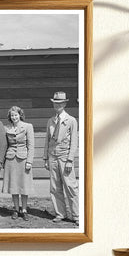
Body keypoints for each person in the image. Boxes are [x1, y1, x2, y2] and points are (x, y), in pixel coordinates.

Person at [43, 91, 79, 224]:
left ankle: (77, 215)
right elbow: (47, 140)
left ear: (64, 104)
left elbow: (74, 142)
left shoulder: (71, 120)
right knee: (55, 187)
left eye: (60, 103)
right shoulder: (51, 121)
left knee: (70, 186)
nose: (57, 105)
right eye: (55, 103)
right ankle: (60, 213)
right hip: (52, 157)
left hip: (65, 157)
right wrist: (45, 158)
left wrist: (70, 160)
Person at [2, 106, 34, 221]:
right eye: (12, 115)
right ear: (9, 117)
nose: (14, 117)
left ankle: (24, 210)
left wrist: (29, 161)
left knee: (24, 185)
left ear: (20, 115)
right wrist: (3, 160)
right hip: (10, 159)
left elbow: (31, 145)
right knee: (14, 185)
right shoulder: (6, 128)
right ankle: (16, 209)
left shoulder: (27, 126)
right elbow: (4, 145)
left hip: (23, 159)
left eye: (16, 115)